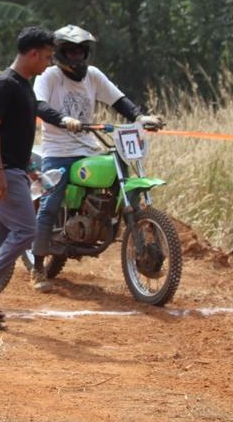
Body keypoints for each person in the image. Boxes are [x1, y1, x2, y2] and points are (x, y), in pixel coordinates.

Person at [29, 25, 164, 292]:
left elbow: (118, 100)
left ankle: (123, 227)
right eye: (71, 51)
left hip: (89, 147)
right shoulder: (50, 76)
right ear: (61, 53)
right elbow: (39, 104)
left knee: (117, 173)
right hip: (58, 151)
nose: (77, 56)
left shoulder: (93, 76)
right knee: (50, 202)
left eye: (81, 51)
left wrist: (139, 117)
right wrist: (63, 119)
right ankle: (37, 266)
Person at [0, 27, 56, 323]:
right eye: (46, 57)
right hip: (0, 172)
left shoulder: (25, 87)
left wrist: (29, 168)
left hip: (12, 169)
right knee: (26, 231)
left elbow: (15, 135)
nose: (48, 63)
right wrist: (0, 171)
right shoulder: (5, 84)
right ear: (32, 54)